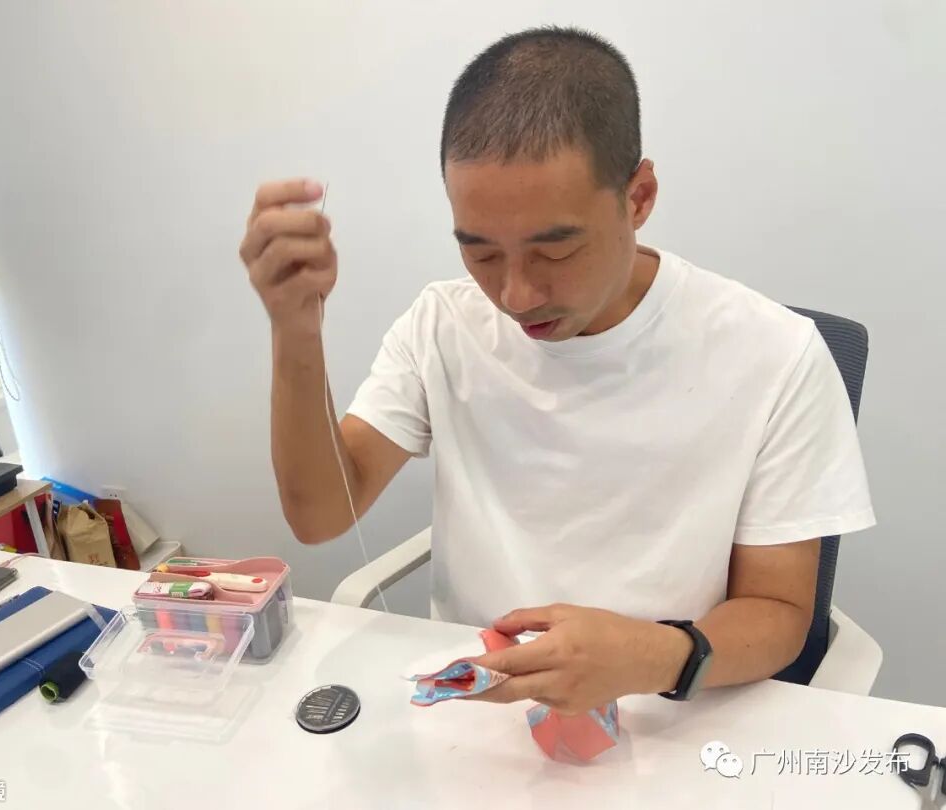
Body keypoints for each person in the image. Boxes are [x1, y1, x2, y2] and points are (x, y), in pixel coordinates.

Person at [238, 26, 875, 714]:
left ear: (638, 196)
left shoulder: (776, 355)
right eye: (481, 253)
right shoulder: (442, 324)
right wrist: (294, 331)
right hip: (477, 704)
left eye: (555, 251)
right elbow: (320, 513)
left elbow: (779, 611)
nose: (515, 296)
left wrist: (648, 656)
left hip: (674, 708)